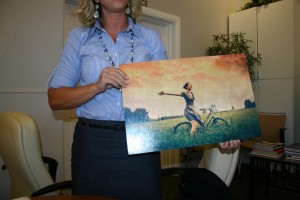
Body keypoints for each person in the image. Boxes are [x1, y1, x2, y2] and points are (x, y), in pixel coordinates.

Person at [47, 0, 240, 199]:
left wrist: (221, 132)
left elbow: (168, 94)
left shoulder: (150, 39)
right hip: (92, 148)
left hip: (142, 143)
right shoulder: (78, 38)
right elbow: (55, 99)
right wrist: (96, 87)